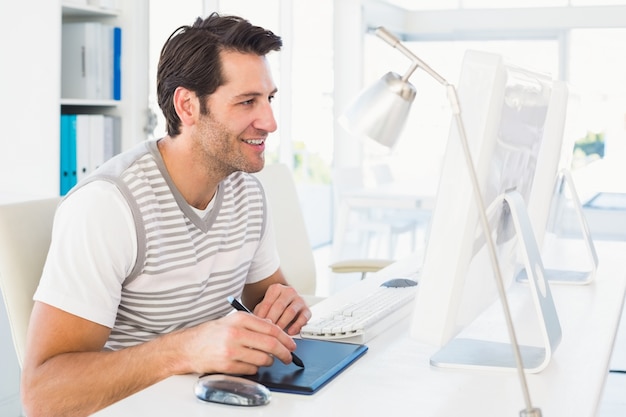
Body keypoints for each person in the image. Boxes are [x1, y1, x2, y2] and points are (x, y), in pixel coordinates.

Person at [21, 13, 311, 417]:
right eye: (248, 101)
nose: (270, 121)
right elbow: (42, 396)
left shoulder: (246, 190)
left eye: (269, 99)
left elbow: (265, 299)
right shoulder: (109, 205)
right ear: (187, 105)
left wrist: (284, 306)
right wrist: (186, 349)